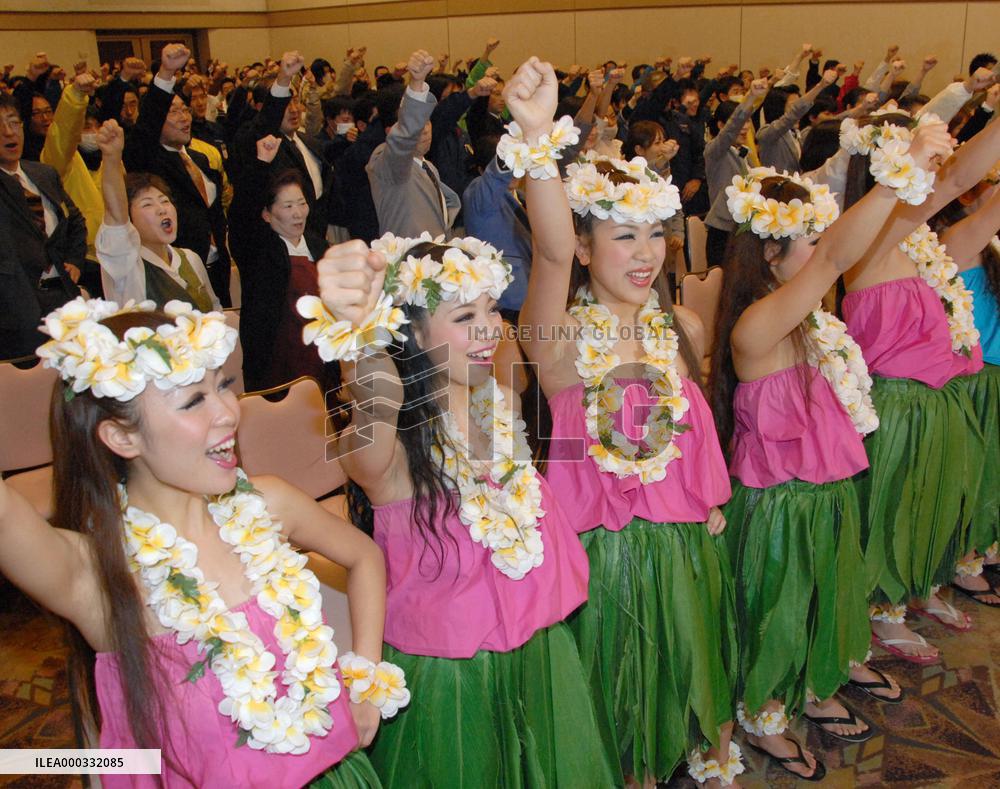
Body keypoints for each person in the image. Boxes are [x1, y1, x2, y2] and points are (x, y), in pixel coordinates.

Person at [0, 297, 400, 786]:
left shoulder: (270, 505)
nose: (229, 412)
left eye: (223, 386)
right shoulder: (97, 572)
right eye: (194, 400)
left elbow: (364, 556)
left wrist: (366, 681)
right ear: (123, 439)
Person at [300, 235, 621, 787]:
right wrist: (361, 329)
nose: (489, 329)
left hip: (538, 655)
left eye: (491, 310)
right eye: (465, 315)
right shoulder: (385, 454)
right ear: (412, 333)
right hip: (455, 684)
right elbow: (377, 396)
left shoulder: (499, 405)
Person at [503, 57, 741, 787]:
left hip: (681, 553)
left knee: (687, 702)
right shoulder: (559, 342)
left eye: (653, 236)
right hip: (606, 564)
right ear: (585, 248)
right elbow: (545, 248)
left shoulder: (679, 328)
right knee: (619, 719)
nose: (645, 255)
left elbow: (695, 436)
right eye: (622, 238)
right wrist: (539, 138)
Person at [709, 139, 947, 776]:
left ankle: (806, 690)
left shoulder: (814, 322)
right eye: (808, 240)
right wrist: (897, 175)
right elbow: (839, 255)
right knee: (776, 615)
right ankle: (761, 718)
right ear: (769, 251)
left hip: (826, 496)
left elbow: (837, 257)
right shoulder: (756, 328)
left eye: (818, 239)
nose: (821, 254)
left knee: (820, 602)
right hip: (782, 505)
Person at [839, 109, 1000, 660]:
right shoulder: (870, 242)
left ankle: (918, 589)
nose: (937, 166)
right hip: (896, 408)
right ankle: (882, 610)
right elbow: (955, 180)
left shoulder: (923, 243)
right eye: (921, 155)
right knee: (893, 515)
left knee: (934, 505)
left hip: (938, 402)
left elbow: (966, 186)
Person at [123, 43, 231, 307]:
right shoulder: (149, 159)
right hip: (173, 267)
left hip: (215, 263)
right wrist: (166, 73)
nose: (185, 117)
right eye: (174, 112)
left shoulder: (201, 159)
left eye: (185, 110)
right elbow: (146, 125)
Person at [932, 183, 1000, 602]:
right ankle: (964, 557)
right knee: (974, 474)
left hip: (993, 368)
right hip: (978, 371)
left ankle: (985, 545)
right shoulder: (956, 241)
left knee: (990, 472)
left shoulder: (981, 240)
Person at [238, 136, 332, 392]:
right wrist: (260, 164)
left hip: (321, 358)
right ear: (267, 214)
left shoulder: (318, 246)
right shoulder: (260, 250)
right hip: (277, 363)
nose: (298, 213)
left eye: (302, 204)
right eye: (288, 206)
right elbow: (242, 213)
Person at [95, 119, 219, 311]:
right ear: (130, 219)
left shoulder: (190, 258)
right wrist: (111, 158)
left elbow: (214, 312)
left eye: (164, 201)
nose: (162, 209)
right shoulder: (126, 264)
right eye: (147, 204)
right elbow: (115, 214)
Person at [0, 92, 84, 359]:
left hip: (63, 298)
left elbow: (75, 221)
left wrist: (75, 260)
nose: (7, 132)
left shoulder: (42, 174)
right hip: (17, 308)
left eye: (14, 122)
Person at [366, 51, 460, 238]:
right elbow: (404, 138)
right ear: (391, 130)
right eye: (418, 123)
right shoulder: (386, 161)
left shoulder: (428, 166)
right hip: (408, 262)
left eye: (427, 121)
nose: (425, 130)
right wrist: (417, 85)